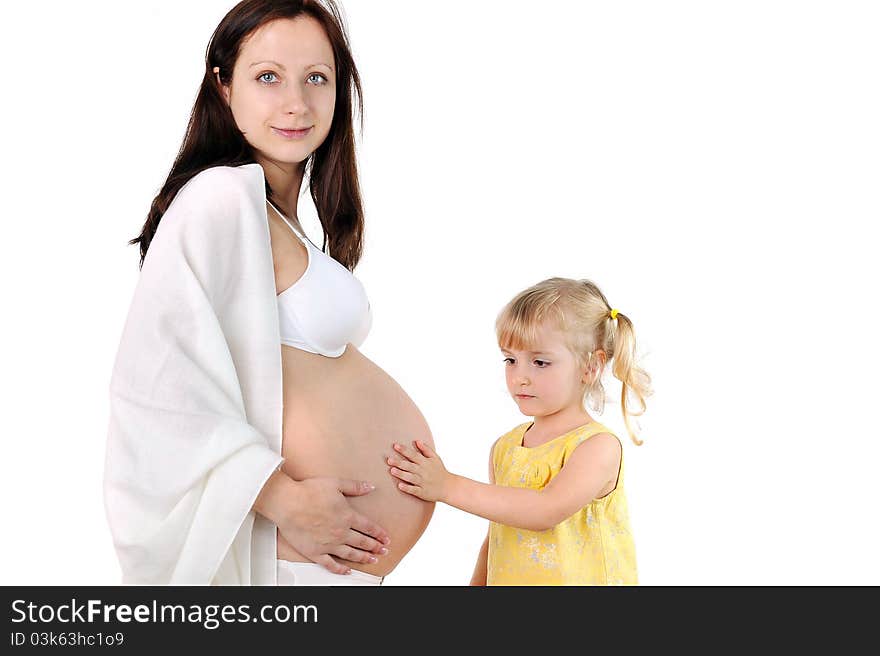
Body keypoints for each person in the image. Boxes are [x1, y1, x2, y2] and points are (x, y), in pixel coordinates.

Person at [103, 0, 434, 586]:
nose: (296, 103)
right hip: (289, 563)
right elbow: (156, 388)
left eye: (316, 78)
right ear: (223, 86)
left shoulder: (278, 216)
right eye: (267, 77)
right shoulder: (222, 197)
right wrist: (280, 497)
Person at [387, 278, 652, 585]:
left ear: (590, 367)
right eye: (511, 360)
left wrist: (447, 486)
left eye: (540, 362)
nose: (520, 377)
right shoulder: (506, 447)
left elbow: (544, 511)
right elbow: (495, 539)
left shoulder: (597, 446)